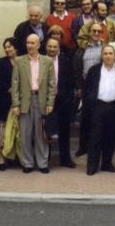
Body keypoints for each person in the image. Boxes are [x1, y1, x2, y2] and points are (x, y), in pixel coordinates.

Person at [11, 34, 56, 174]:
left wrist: (50, 102)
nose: (29, 45)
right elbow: (15, 83)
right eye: (27, 42)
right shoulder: (19, 61)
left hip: (40, 99)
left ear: (38, 45)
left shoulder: (47, 61)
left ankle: (43, 163)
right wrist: (16, 104)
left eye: (32, 43)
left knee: (40, 133)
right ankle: (28, 163)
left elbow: (51, 84)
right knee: (25, 134)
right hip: (25, 100)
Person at [84, 45, 115, 175]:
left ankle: (107, 164)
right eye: (105, 54)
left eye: (110, 53)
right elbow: (88, 89)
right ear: (101, 56)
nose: (108, 56)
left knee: (110, 137)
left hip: (114, 107)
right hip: (98, 107)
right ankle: (92, 166)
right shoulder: (94, 70)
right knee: (95, 137)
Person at [44, 37, 76, 168]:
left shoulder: (66, 61)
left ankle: (65, 159)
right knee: (46, 130)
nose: (52, 49)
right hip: (45, 101)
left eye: (54, 47)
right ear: (46, 47)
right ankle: (46, 159)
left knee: (64, 130)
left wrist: (68, 99)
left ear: (59, 48)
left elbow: (70, 81)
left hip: (63, 101)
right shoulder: (40, 61)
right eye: (50, 46)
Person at [73, 22, 104, 157]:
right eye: (94, 31)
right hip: (86, 85)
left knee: (99, 118)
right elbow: (77, 69)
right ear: (89, 33)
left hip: (101, 85)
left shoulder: (105, 48)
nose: (96, 34)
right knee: (85, 118)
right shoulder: (82, 49)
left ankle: (98, 147)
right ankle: (83, 147)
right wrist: (79, 86)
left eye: (99, 31)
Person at [0, 37, 18, 171]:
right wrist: (8, 89)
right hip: (4, 101)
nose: (7, 49)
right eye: (5, 47)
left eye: (10, 47)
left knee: (16, 131)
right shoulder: (1, 62)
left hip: (19, 102)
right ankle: (1, 159)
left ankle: (15, 158)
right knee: (3, 132)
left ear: (16, 48)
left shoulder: (23, 61)